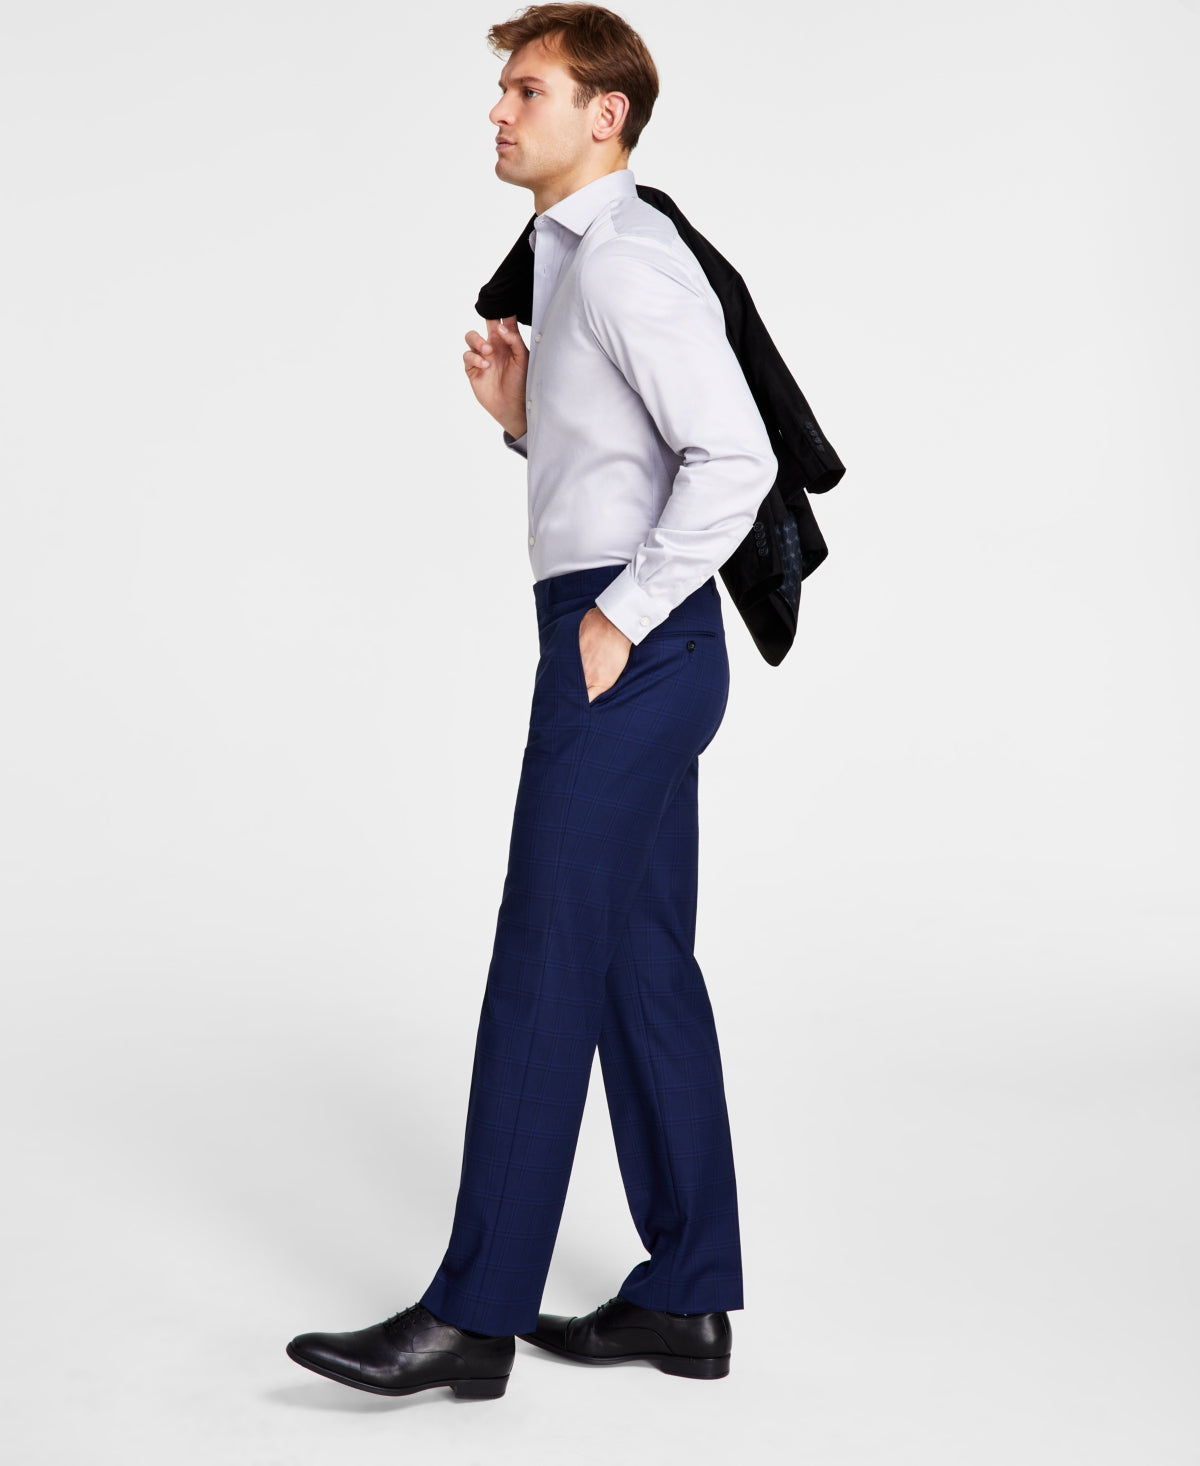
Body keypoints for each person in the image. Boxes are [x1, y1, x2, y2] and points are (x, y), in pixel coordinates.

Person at [286, 3, 777, 1401]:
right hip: (633, 637)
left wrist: (620, 616)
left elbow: (733, 458)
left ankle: (473, 1314)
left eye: (529, 90)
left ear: (605, 115)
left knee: (544, 960)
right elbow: (625, 465)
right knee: (635, 966)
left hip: (630, 639)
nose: (500, 113)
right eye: (502, 91)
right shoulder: (577, 271)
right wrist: (524, 418)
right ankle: (684, 1295)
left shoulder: (622, 262)